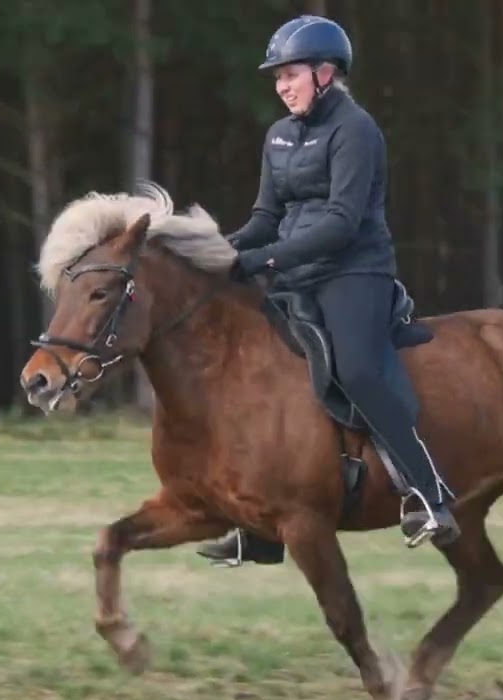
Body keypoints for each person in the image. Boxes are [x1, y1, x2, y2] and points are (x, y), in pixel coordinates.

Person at [197, 15, 461, 567]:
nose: (282, 87)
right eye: (276, 79)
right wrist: (217, 251)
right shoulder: (279, 135)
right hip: (296, 273)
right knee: (260, 372)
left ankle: (429, 492)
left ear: (325, 72)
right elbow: (266, 217)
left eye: (290, 75)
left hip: (353, 272)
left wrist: (261, 260)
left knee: (359, 370)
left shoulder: (356, 130)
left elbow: (341, 223)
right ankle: (264, 528)